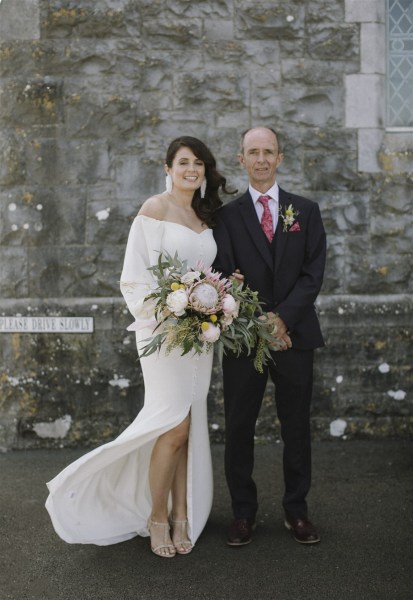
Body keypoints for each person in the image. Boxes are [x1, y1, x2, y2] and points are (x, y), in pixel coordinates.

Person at [46, 136, 231, 558]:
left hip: (200, 336)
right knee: (172, 425)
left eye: (199, 163)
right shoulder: (153, 209)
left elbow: (209, 274)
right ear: (168, 168)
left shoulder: (206, 217)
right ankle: (156, 517)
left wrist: (219, 304)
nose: (192, 169)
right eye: (184, 162)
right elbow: (134, 276)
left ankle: (182, 512)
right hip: (163, 333)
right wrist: (164, 316)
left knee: (188, 426)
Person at [213, 126, 326, 546]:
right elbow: (222, 272)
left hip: (294, 336)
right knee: (239, 426)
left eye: (269, 152)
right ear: (241, 160)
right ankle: (243, 513)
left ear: (280, 158)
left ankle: (296, 510)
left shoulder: (306, 212)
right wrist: (249, 309)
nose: (261, 159)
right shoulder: (226, 217)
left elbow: (314, 274)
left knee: (295, 426)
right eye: (253, 152)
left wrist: (282, 318)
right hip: (243, 337)